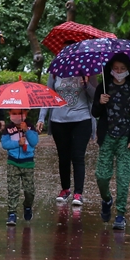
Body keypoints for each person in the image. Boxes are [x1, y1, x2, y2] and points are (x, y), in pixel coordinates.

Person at [91, 52, 130, 230]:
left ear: (128, 70)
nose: (119, 71)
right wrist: (100, 102)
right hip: (106, 138)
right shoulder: (103, 87)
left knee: (123, 176)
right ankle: (106, 199)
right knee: (102, 176)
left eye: (122, 69)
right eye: (116, 69)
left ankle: (120, 214)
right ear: (110, 70)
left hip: (125, 139)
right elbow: (95, 113)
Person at [39, 63, 98, 207]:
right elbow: (47, 95)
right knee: (63, 157)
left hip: (82, 119)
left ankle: (78, 193)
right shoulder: (55, 71)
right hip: (59, 121)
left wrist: (86, 84)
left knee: (78, 156)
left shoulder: (88, 70)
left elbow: (96, 96)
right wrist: (41, 118)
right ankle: (65, 189)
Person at [0, 108, 38, 226]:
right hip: (13, 163)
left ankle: (27, 206)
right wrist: (17, 143)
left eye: (19, 113)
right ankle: (12, 213)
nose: (16, 116)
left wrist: (27, 131)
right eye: (14, 113)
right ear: (9, 114)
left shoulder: (30, 126)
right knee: (13, 189)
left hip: (28, 163)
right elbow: (4, 144)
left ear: (25, 113)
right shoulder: (8, 129)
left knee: (29, 190)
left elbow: (34, 142)